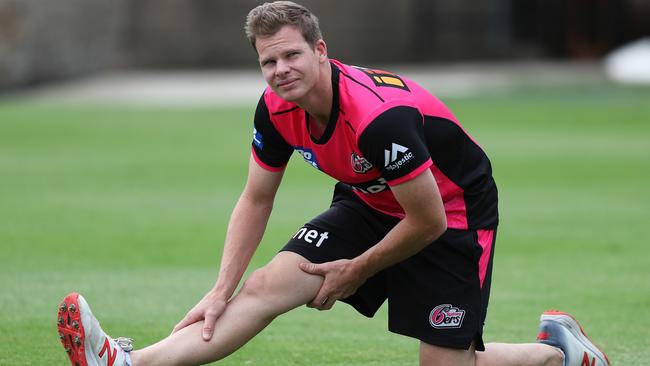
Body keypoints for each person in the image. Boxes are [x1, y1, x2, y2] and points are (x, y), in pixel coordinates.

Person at [56, 2, 610, 366]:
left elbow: (428, 220)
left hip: (451, 213)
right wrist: (220, 289)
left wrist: (358, 268)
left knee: (445, 364)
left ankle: (557, 354)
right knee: (265, 288)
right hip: (371, 200)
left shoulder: (377, 119)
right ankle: (128, 362)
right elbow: (256, 197)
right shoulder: (276, 109)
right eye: (268, 62)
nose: (281, 70)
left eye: (292, 54)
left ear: (321, 51)